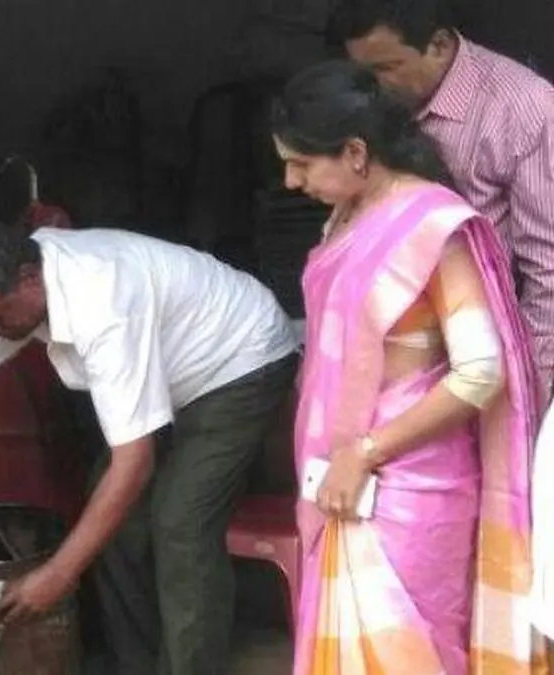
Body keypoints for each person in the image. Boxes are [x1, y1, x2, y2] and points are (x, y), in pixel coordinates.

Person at [272, 60, 545, 673]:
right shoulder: (345, 219)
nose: (290, 181)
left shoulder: (431, 227)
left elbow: (480, 371)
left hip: (410, 490)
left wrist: (365, 452)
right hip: (341, 477)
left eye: (302, 163)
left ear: (356, 152)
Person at [0, 218, 300, 674]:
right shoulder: (9, 287)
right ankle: (137, 665)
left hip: (240, 359)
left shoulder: (102, 301)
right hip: (171, 375)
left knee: (181, 519)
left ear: (29, 278)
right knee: (113, 513)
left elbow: (134, 464)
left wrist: (58, 574)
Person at [329, 0, 554, 391]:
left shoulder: (523, 109)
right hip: (395, 339)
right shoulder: (374, 101)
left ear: (439, 45)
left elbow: (547, 267)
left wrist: (530, 384)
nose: (375, 86)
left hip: (484, 347)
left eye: (387, 67)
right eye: (363, 73)